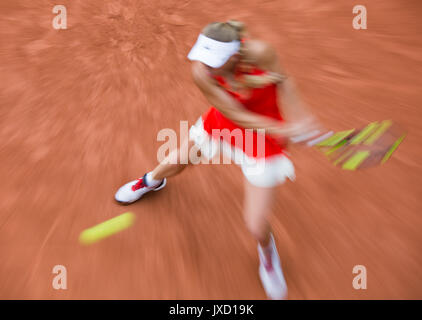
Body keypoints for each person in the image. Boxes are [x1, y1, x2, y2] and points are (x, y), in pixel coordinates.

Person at [115, 20, 324, 299]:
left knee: (256, 224)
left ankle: (267, 255)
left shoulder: (263, 53)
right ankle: (151, 181)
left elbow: (285, 81)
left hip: (263, 141)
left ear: (235, 56)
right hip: (227, 124)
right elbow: (235, 114)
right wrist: (286, 129)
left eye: (215, 61)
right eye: (204, 58)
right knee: (176, 161)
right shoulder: (201, 72)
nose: (205, 66)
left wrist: (302, 118)